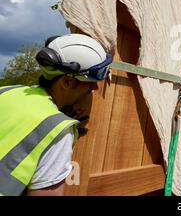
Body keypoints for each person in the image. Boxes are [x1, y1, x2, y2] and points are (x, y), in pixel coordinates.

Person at [0, 33, 112, 196]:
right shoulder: (57, 132)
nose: (94, 88)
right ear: (67, 82)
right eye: (90, 82)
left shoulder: (7, 91)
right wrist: (60, 123)